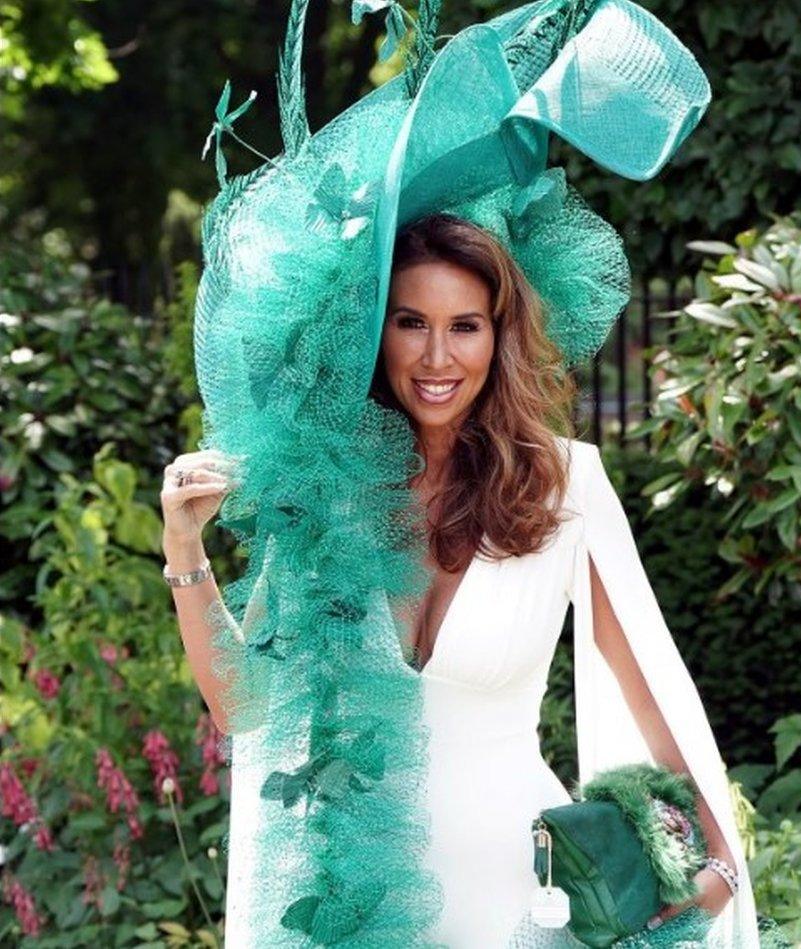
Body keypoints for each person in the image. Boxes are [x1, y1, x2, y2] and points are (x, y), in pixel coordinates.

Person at [162, 212, 758, 947]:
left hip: (520, 900)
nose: (437, 356)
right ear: (376, 335)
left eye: (465, 325)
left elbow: (651, 694)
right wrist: (184, 547)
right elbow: (240, 702)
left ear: (499, 336)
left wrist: (722, 859)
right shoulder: (331, 492)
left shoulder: (566, 486)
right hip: (355, 900)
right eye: (411, 322)